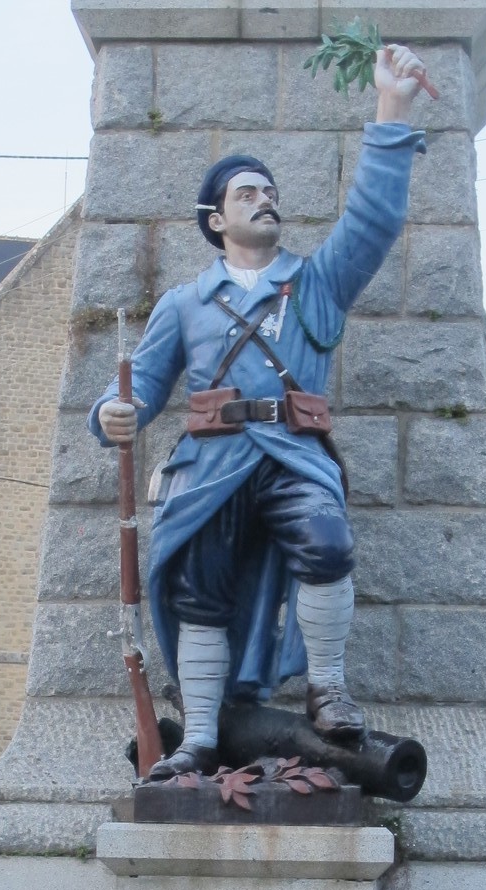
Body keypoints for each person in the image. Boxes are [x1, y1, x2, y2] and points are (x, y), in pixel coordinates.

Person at [88, 44, 427, 779]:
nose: (263, 199)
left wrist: (392, 108)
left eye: (268, 191)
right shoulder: (185, 303)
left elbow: (372, 220)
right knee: (199, 592)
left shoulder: (316, 283)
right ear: (216, 219)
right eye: (246, 193)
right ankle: (201, 736)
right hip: (209, 464)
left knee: (327, 543)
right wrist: (113, 412)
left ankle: (326, 688)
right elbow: (140, 388)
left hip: (293, 452)